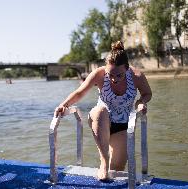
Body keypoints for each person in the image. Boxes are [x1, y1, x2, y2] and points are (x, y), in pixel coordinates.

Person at [54, 41, 152, 180]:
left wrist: (141, 102)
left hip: (123, 125)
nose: (114, 79)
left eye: (119, 75)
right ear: (105, 68)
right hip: (100, 121)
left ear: (127, 68)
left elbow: (147, 93)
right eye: (110, 74)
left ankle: (108, 167)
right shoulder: (98, 74)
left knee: (116, 171)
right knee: (100, 111)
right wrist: (63, 105)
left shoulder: (137, 76)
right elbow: (79, 93)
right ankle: (103, 161)